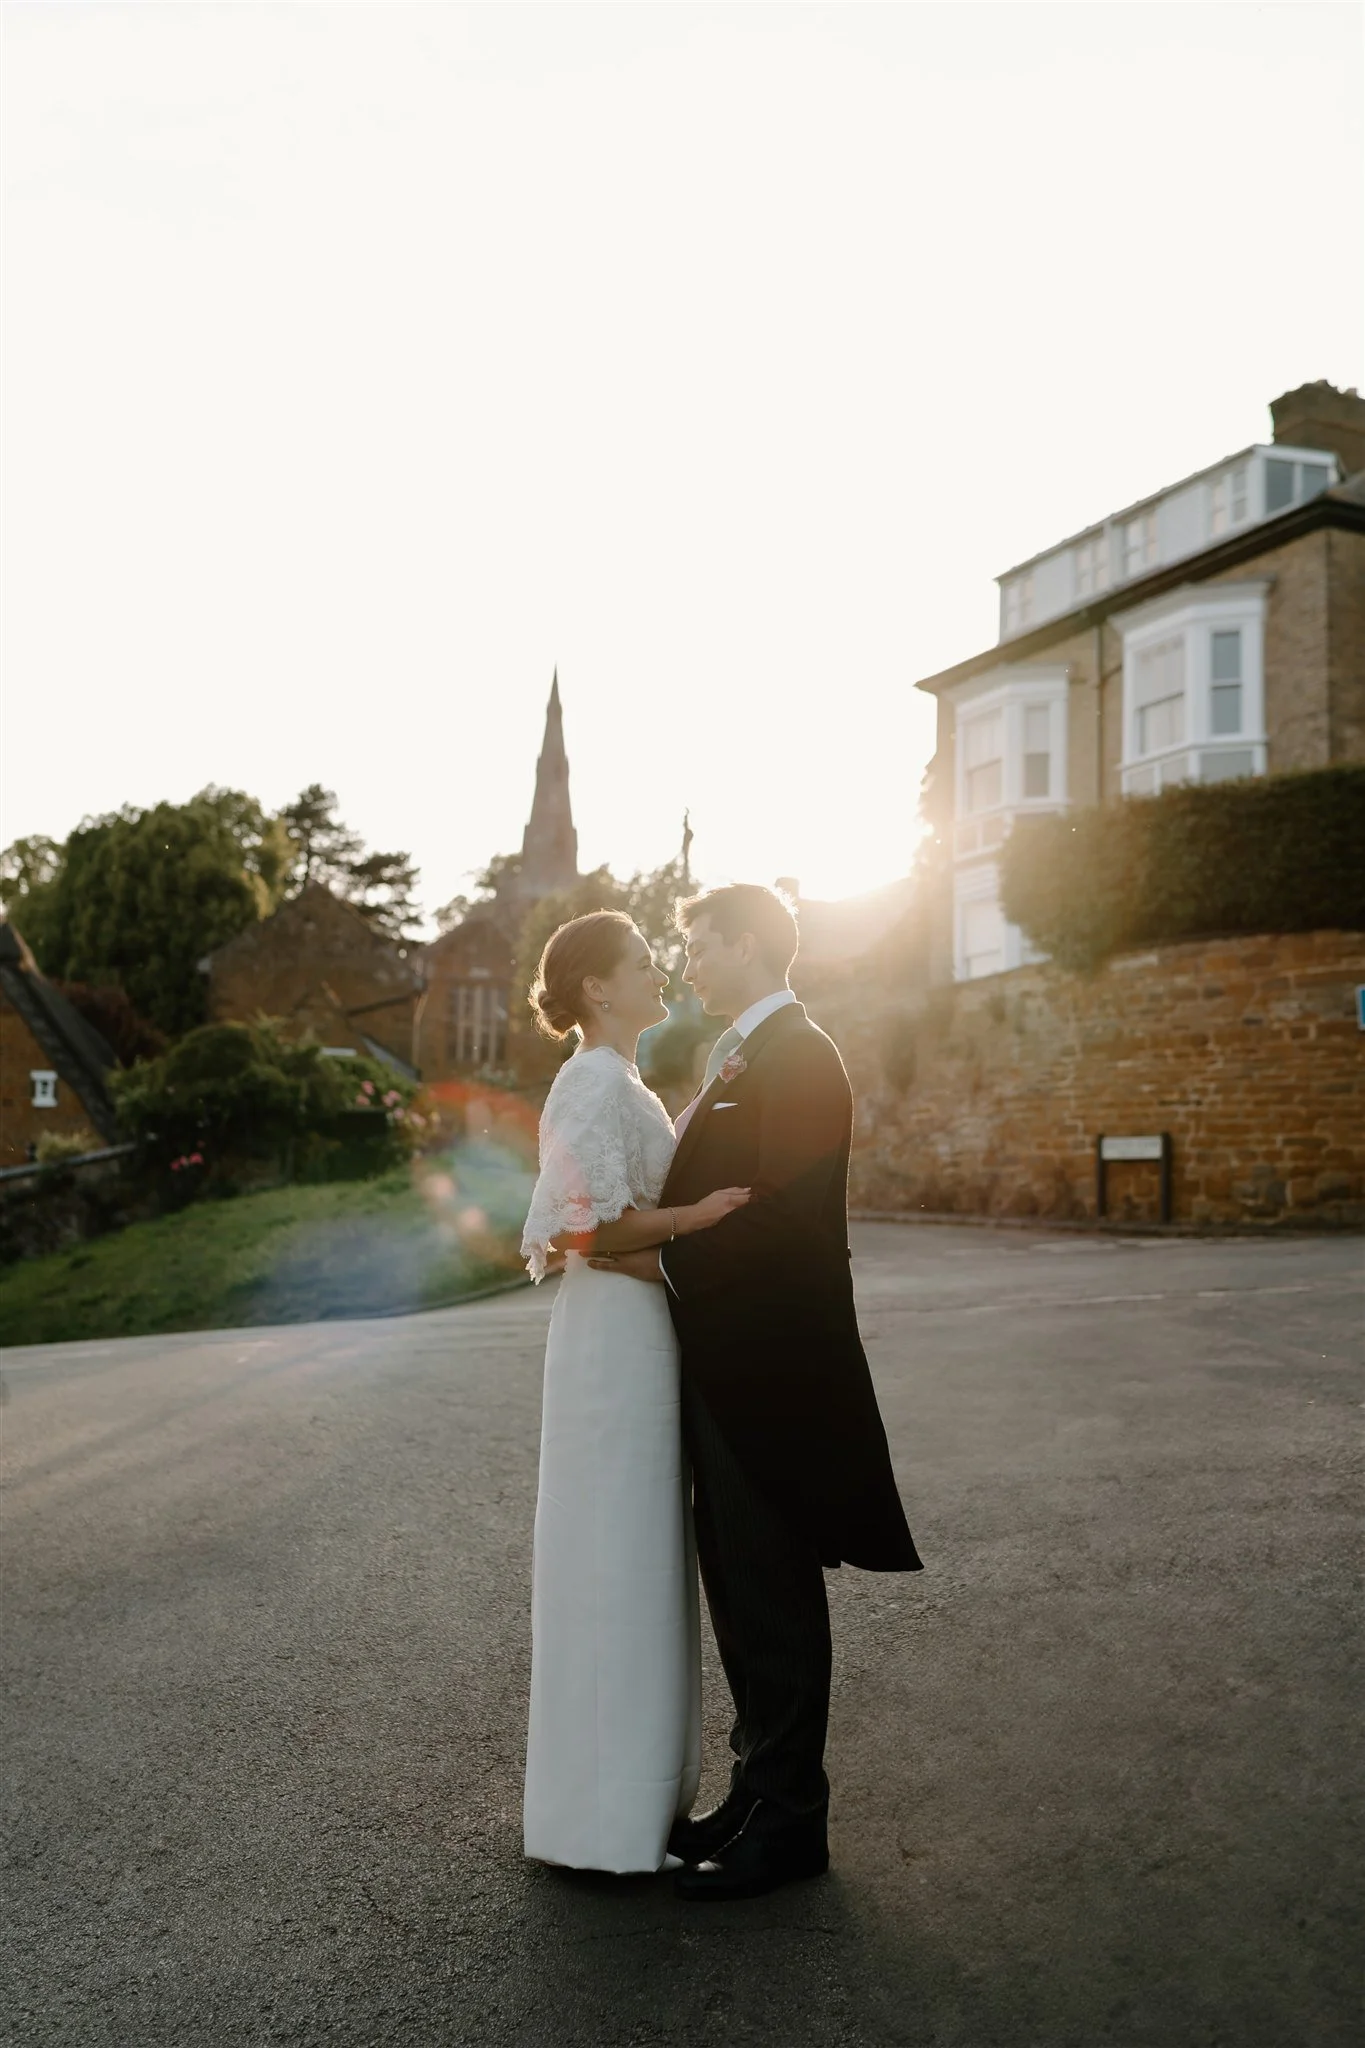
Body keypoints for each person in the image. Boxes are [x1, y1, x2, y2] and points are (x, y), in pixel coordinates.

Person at [589, 883, 922, 1902]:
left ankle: (793, 1822)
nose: (686, 957)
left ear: (746, 943)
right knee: (736, 1581)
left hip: (774, 1371)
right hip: (726, 1363)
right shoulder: (745, 1051)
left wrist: (669, 1256)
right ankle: (756, 1789)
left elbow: (784, 1218)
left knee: (771, 1584)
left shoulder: (803, 1055)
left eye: (697, 939)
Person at [519, 910, 752, 1874]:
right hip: (611, 1347)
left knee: (642, 1559)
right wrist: (696, 1221)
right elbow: (579, 1233)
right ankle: (600, 1827)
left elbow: (632, 1180)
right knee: (613, 1563)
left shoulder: (620, 1080)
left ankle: (639, 1808)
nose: (659, 973)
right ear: (594, 989)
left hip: (640, 1337)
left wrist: (703, 1103)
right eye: (642, 964)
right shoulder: (586, 1081)